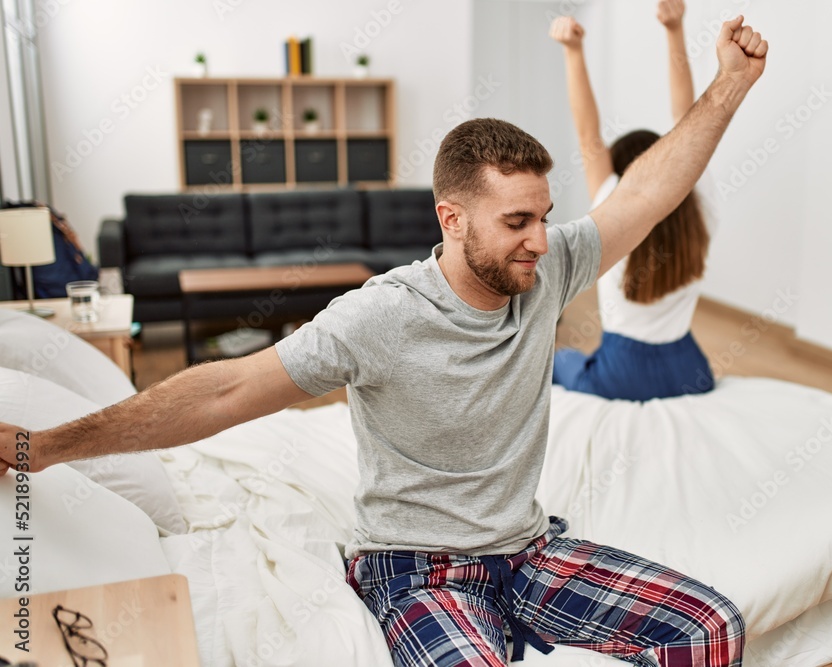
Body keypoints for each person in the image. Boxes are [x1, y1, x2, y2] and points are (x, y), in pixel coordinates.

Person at [0, 16, 767, 667]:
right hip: (418, 570)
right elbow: (226, 388)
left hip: (526, 548)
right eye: (516, 223)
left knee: (710, 627)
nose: (542, 240)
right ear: (452, 218)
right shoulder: (380, 316)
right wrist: (49, 446)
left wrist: (729, 82)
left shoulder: (551, 264)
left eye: (544, 214)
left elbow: (648, 189)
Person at [550, 0, 720, 402]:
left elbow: (588, 132)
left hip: (621, 374)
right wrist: (675, 29)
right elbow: (687, 121)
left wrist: (572, 52)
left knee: (558, 360)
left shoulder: (614, 202)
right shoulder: (699, 200)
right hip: (690, 369)